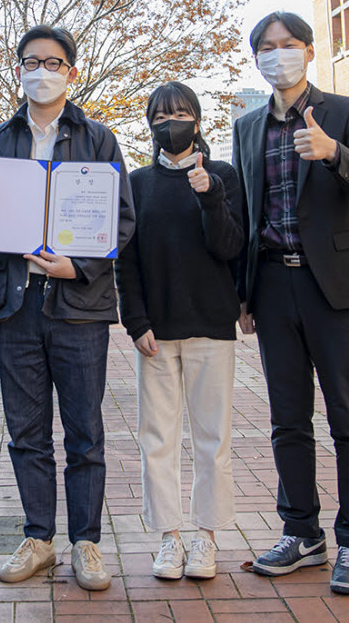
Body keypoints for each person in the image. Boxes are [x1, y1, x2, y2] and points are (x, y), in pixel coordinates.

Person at [0, 25, 135, 592]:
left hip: (78, 304)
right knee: (25, 431)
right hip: (16, 304)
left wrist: (77, 267)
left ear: (71, 73)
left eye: (53, 63)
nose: (42, 71)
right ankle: (39, 538)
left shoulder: (99, 138)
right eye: (31, 62)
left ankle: (86, 544)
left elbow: (121, 221)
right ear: (18, 71)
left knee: (84, 431)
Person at [232, 12, 349, 595]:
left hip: (338, 289)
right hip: (273, 287)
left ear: (310, 51)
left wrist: (332, 153)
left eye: (288, 45)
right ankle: (301, 532)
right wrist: (243, 294)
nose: (279, 55)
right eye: (267, 48)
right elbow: (249, 213)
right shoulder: (248, 126)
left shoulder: (345, 112)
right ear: (257, 59)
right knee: (287, 420)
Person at [115, 82, 243, 581]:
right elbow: (127, 261)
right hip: (156, 331)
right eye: (162, 115)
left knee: (212, 437)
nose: (172, 122)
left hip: (211, 324)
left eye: (182, 113)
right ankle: (168, 537)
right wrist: (136, 321)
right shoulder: (138, 182)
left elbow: (231, 247)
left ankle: (206, 536)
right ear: (150, 124)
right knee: (158, 438)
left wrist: (210, 195)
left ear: (198, 120)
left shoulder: (222, 174)